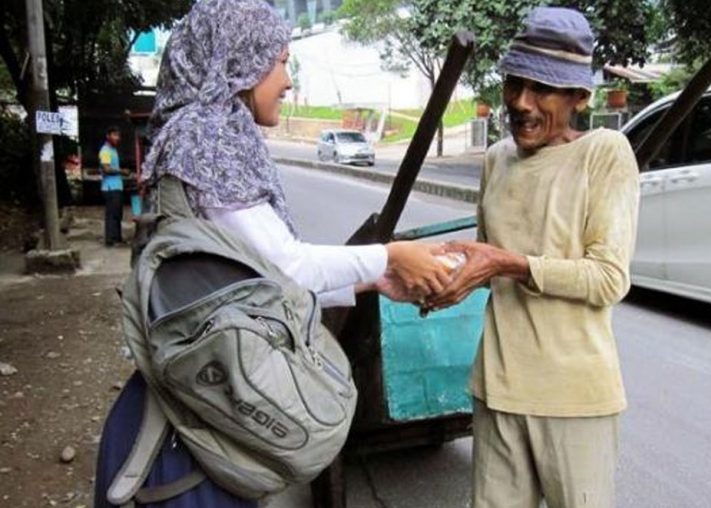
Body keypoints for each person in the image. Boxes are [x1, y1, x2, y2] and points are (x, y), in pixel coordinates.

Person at [93, 1, 449, 506]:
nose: (287, 80)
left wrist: (371, 282)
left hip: (201, 392)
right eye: (280, 61)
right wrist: (388, 257)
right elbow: (286, 267)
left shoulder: (197, 133)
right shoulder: (206, 135)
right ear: (238, 59)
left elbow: (252, 285)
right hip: (199, 417)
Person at [428, 7, 640, 508]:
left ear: (579, 97)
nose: (521, 103)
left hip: (574, 397)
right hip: (497, 390)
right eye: (513, 84)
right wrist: (444, 278)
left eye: (541, 90)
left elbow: (608, 278)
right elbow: (488, 259)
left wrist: (507, 264)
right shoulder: (497, 158)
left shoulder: (605, 153)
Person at [99, 126, 125, 246]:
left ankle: (117, 238)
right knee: (112, 214)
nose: (117, 138)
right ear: (108, 136)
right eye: (114, 135)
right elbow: (106, 169)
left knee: (118, 214)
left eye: (118, 135)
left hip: (117, 186)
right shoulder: (105, 151)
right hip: (110, 187)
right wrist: (121, 171)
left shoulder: (113, 150)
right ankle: (110, 240)